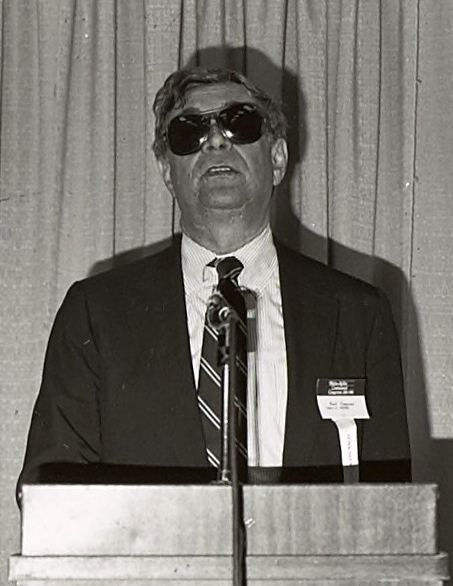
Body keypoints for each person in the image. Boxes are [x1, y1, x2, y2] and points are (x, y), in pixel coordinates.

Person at [18, 67, 411, 494]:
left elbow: (392, 508)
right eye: (190, 132)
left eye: (239, 123)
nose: (217, 141)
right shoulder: (96, 314)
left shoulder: (357, 313)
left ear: (277, 159)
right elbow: (50, 496)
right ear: (168, 171)